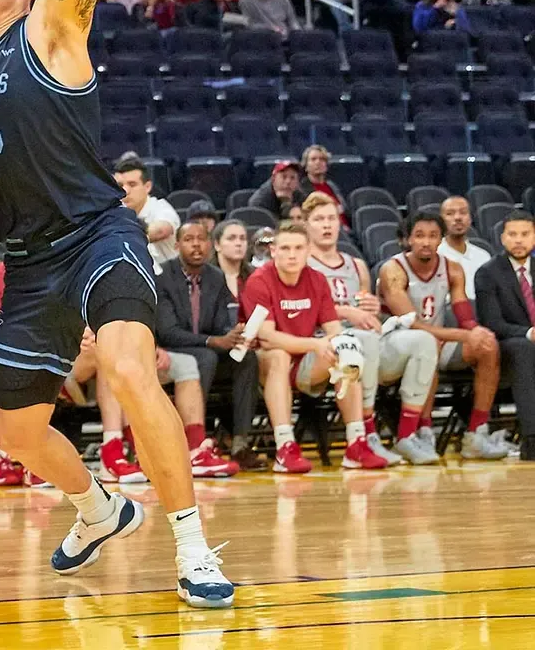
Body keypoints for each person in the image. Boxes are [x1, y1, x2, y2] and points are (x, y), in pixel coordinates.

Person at [0, 0, 233, 604]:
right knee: (16, 434)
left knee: (131, 370)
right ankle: (100, 508)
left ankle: (195, 547)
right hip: (31, 259)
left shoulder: (53, 26)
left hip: (101, 234)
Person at [241, 221, 389, 474]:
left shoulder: (317, 280)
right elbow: (267, 337)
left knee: (347, 352)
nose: (292, 254)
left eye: (298, 248)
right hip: (264, 362)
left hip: (305, 360)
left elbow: (333, 329)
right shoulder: (259, 281)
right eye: (285, 248)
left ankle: (356, 443)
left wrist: (339, 345)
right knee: (278, 355)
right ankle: (285, 447)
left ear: (308, 250)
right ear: (274, 250)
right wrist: (315, 344)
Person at [303, 193, 440, 465]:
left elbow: (365, 308)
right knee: (363, 340)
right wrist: (343, 311)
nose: (327, 225)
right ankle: (367, 435)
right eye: (319, 219)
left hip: (369, 344)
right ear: (306, 225)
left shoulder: (356, 265)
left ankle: (406, 436)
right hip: (328, 348)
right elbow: (300, 313)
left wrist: (371, 306)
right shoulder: (302, 262)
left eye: (331, 218)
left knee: (423, 340)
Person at [378, 211, 508, 459]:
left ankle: (476, 433)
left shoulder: (453, 269)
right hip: (395, 345)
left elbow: (464, 314)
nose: (426, 241)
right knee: (427, 345)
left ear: (441, 240)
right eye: (419, 236)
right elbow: (411, 323)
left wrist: (475, 331)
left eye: (433, 236)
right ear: (408, 240)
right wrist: (461, 334)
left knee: (488, 345)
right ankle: (424, 431)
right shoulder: (393, 270)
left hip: (437, 339)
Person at [149, 223, 251, 476]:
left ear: (209, 244)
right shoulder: (163, 277)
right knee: (204, 358)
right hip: (171, 349)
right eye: (189, 239)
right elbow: (167, 332)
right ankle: (196, 442)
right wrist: (214, 341)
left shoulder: (216, 277)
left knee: (247, 358)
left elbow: (221, 324)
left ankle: (240, 441)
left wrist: (234, 333)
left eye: (201, 239)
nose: (196, 244)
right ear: (177, 245)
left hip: (207, 347)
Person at [475, 210, 535, 460]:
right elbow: (493, 322)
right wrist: (530, 333)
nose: (519, 240)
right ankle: (532, 440)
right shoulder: (487, 272)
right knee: (525, 349)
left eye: (525, 234)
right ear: (502, 238)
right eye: (512, 234)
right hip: (508, 342)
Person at [113, 155, 179, 273]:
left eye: (132, 184)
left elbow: (162, 230)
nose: (125, 191)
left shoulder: (161, 208)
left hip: (170, 283)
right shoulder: (113, 212)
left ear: (147, 186)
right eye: (120, 186)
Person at [438, 196, 492, 300]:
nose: (458, 218)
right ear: (441, 220)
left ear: (470, 218)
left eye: (463, 212)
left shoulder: (483, 256)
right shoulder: (435, 256)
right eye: (450, 213)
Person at [297, 145, 347, 227]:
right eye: (313, 159)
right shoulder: (301, 189)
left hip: (347, 230)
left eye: (322, 159)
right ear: (306, 166)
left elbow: (344, 210)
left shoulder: (332, 186)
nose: (318, 162)